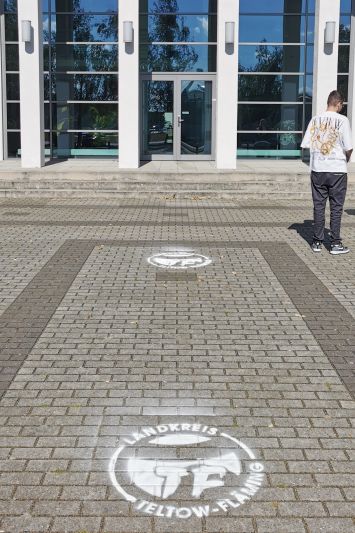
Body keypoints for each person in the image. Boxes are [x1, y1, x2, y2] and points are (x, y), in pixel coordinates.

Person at [301, 90, 353, 254]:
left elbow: (306, 144)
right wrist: (345, 158)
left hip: (318, 169)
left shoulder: (315, 119)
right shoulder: (343, 120)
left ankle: (317, 242)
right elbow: (349, 147)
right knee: (336, 208)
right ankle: (335, 244)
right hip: (337, 170)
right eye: (341, 106)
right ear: (339, 104)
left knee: (319, 206)